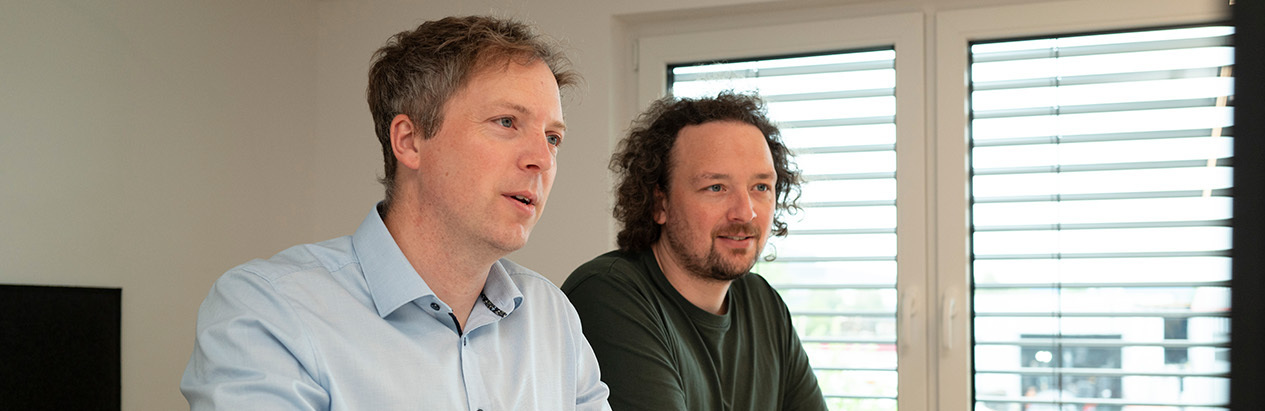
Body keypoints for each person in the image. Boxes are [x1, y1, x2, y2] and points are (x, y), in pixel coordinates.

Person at [181, 16, 610, 410]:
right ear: (408, 141)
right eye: (506, 122)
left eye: (553, 137)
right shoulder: (269, 311)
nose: (542, 159)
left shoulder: (552, 317)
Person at [562, 92, 827, 410]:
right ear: (660, 202)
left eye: (760, 187)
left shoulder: (764, 304)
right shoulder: (606, 294)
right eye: (716, 187)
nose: (745, 212)